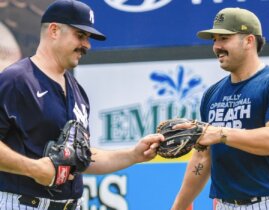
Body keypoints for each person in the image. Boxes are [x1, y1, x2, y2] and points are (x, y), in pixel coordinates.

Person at [0, 0, 164, 209]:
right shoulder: (16, 80)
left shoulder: (77, 91)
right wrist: (34, 168)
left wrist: (133, 155)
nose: (87, 45)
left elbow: (80, 157)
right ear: (54, 30)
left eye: (88, 38)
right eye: (80, 35)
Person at [171, 7, 269, 210]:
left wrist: (219, 133)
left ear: (249, 41)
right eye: (214, 39)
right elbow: (202, 156)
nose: (216, 46)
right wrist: (180, 206)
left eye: (224, 38)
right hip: (225, 205)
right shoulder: (212, 94)